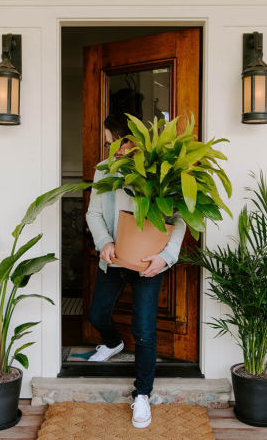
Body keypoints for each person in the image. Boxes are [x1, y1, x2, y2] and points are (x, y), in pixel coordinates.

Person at [85, 112, 187, 428]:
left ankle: (142, 394)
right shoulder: (104, 171)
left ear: (134, 140)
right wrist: (104, 242)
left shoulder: (161, 172)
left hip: (148, 265)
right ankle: (113, 342)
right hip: (114, 259)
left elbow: (180, 218)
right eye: (107, 144)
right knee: (97, 316)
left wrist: (167, 257)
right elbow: (93, 214)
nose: (112, 150)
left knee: (144, 331)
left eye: (116, 142)